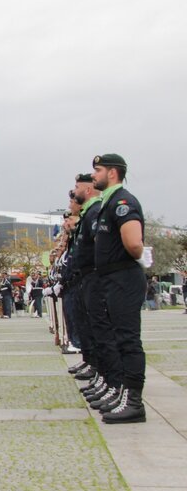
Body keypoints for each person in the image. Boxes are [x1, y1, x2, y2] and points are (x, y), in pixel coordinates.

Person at [90, 153, 148, 424]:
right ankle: (124, 393)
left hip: (124, 277)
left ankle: (134, 402)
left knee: (127, 339)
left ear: (112, 173)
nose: (94, 175)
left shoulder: (122, 201)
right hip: (112, 279)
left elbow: (134, 242)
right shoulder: (108, 201)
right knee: (118, 338)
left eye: (98, 170)